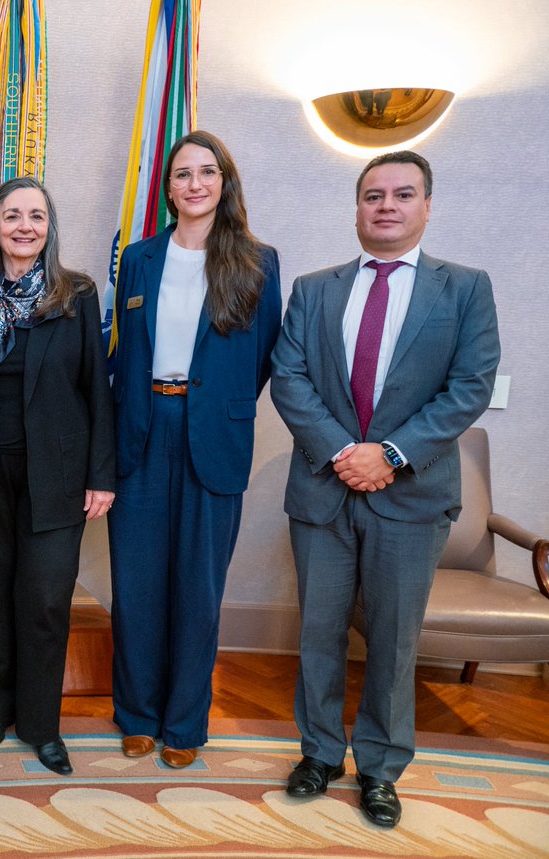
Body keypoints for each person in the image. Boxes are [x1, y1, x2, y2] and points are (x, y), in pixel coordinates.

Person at [271, 150, 499, 827]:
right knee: (317, 633)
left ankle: (379, 766)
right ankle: (318, 751)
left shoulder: (464, 288)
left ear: (427, 206)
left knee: (396, 640)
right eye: (374, 195)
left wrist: (390, 455)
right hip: (323, 490)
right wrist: (345, 452)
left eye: (403, 194)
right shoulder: (315, 289)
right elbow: (290, 379)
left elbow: (470, 387)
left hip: (412, 494)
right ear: (358, 208)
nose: (387, 205)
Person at [108, 131, 282, 768]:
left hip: (213, 434)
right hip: (141, 428)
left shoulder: (258, 261)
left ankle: (183, 724)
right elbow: (124, 352)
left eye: (207, 172)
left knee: (198, 588)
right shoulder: (140, 259)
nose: (195, 184)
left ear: (224, 181)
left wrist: (212, 401)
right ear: (168, 187)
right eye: (182, 174)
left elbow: (263, 357)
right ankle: (137, 716)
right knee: (137, 583)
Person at [0, 176, 115, 776]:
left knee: (44, 600)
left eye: (36, 216)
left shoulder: (76, 295)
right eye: (12, 215)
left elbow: (98, 388)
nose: (24, 226)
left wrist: (102, 474)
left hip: (59, 477)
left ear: (49, 227)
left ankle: (40, 725)